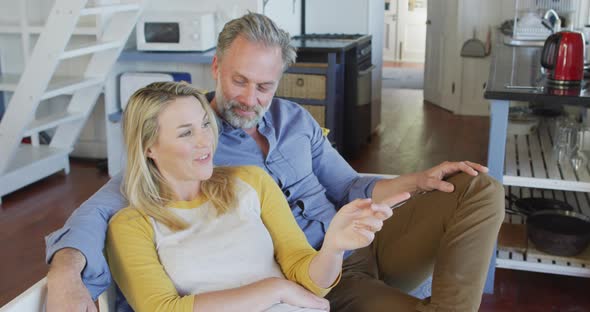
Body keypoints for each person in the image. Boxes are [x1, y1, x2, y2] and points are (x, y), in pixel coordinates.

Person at [45, 12, 504, 312]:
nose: (250, 99)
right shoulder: (187, 141)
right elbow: (106, 205)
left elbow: (349, 186)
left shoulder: (293, 119)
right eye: (239, 81)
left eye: (264, 85)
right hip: (319, 274)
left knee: (479, 187)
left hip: (362, 238)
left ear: (280, 79)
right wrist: (66, 267)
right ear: (217, 68)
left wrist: (417, 180)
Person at [105, 81, 398, 312]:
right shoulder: (132, 224)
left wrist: (333, 246)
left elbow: (308, 280)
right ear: (148, 148)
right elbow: (161, 309)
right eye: (185, 133)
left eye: (206, 124)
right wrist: (275, 289)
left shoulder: (251, 181)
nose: (205, 141)